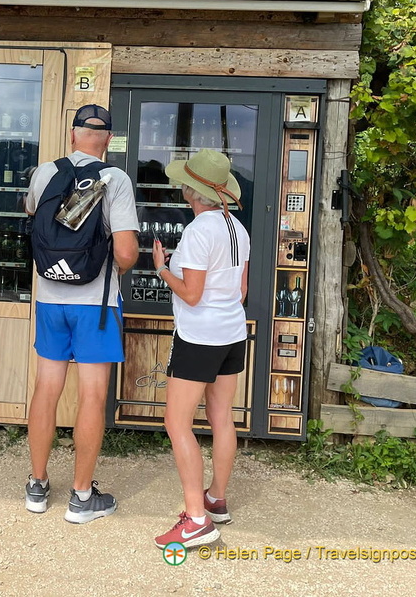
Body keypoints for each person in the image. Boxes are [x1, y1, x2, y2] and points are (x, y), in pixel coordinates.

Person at [23, 104, 139, 523]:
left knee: (46, 388)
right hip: (96, 305)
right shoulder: (115, 178)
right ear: (107, 139)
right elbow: (125, 251)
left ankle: (36, 486)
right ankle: (81, 497)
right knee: (92, 395)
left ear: (72, 136)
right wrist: (114, 266)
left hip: (50, 297)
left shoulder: (44, 172)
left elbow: (34, 217)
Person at [151, 149, 250, 550]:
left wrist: (162, 268)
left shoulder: (196, 231)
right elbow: (240, 291)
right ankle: (216, 499)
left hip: (198, 337)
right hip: (232, 333)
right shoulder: (236, 228)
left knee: (177, 424)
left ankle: (195, 519)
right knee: (222, 416)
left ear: (190, 190)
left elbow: (191, 296)